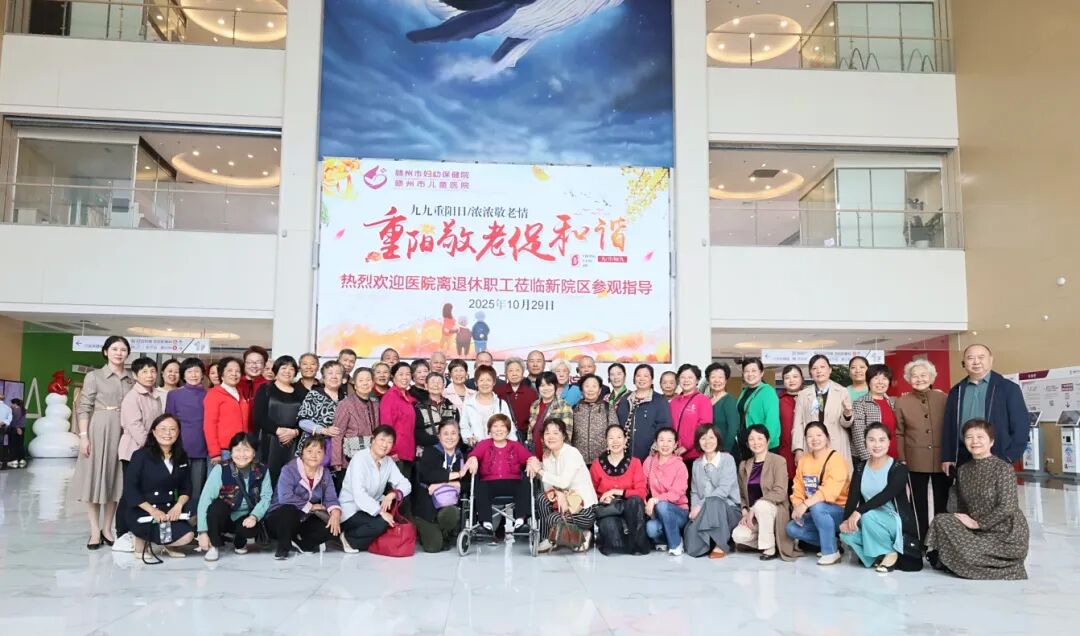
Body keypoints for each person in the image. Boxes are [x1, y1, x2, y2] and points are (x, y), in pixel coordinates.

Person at [926, 419, 1029, 580]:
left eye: (980, 437)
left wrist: (978, 524)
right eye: (969, 437)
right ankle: (969, 562)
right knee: (941, 521)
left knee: (968, 553)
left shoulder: (1003, 468)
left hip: (1005, 534)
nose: (974, 441)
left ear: (991, 442)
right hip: (976, 532)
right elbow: (960, 507)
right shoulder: (963, 470)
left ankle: (1002, 567)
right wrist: (964, 524)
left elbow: (1007, 506)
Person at [73, 335, 134, 549]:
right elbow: (84, 407)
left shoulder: (131, 378)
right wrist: (83, 436)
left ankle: (107, 529)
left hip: (123, 432)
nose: (119, 353)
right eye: (115, 349)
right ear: (106, 352)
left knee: (115, 480)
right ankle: (94, 530)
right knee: (94, 479)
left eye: (123, 349)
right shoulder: (94, 376)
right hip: (99, 430)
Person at [839, 423, 923, 573]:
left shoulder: (899, 468)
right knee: (846, 534)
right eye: (871, 440)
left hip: (894, 521)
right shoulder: (860, 468)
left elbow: (886, 495)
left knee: (868, 516)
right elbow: (853, 497)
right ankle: (879, 555)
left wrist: (859, 512)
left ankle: (889, 552)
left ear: (889, 442)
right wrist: (846, 520)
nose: (877, 445)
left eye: (882, 440)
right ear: (865, 443)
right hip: (869, 518)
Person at [122, 414, 195, 561]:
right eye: (163, 429)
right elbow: (130, 490)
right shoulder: (140, 456)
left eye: (172, 429)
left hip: (169, 509)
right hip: (143, 510)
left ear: (178, 432)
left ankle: (167, 542)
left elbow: (186, 487)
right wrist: (153, 511)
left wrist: (178, 506)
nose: (168, 433)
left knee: (194, 521)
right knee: (185, 536)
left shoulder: (181, 456)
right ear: (154, 432)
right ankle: (141, 540)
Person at [942, 344, 1028, 470]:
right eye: (970, 358)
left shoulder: (1008, 388)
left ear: (991, 360)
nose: (976, 362)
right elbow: (948, 426)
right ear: (964, 362)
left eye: (981, 357)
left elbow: (1021, 426)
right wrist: (948, 456)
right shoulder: (956, 391)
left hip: (997, 457)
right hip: (963, 457)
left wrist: (1009, 457)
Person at [895, 359, 949, 543]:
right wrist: (902, 458)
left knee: (942, 501)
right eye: (914, 376)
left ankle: (941, 540)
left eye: (923, 375)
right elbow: (899, 433)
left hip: (942, 459)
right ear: (908, 379)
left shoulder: (943, 398)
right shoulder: (902, 402)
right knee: (918, 503)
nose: (919, 379)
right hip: (914, 459)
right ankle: (921, 541)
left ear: (932, 377)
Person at [115, 357, 165, 552]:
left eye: (152, 371)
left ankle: (137, 531)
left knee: (143, 493)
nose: (150, 375)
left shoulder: (155, 396)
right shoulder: (132, 397)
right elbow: (135, 426)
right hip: (134, 452)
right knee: (130, 493)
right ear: (135, 375)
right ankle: (122, 533)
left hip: (151, 451)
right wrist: (153, 447)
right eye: (144, 372)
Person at [196, 432, 272, 561]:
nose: (242, 455)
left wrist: (254, 516)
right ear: (231, 452)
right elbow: (205, 499)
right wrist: (202, 532)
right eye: (237, 450)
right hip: (225, 516)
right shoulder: (221, 469)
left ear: (254, 453)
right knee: (215, 508)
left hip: (246, 517)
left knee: (250, 529)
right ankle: (214, 545)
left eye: (246, 450)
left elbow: (266, 497)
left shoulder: (262, 470)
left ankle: (240, 540)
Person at [265, 435, 343, 559]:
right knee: (289, 510)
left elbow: (331, 498)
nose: (314, 455)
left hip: (304, 518)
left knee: (333, 528)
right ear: (302, 453)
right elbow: (285, 497)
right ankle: (283, 547)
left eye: (319, 452)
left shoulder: (325, 473)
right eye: (309, 451)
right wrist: (310, 506)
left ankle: (303, 544)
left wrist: (335, 513)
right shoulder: (289, 469)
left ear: (324, 455)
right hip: (280, 517)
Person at [526, 419, 598, 553]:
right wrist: (559, 493)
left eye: (555, 433)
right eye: (547, 433)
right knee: (541, 498)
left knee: (553, 518)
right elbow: (548, 488)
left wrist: (539, 470)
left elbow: (564, 482)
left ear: (563, 436)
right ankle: (548, 538)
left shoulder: (572, 453)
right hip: (564, 504)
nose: (551, 436)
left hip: (583, 508)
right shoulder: (547, 456)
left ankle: (582, 534)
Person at [786, 422, 851, 565]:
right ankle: (833, 542)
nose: (814, 439)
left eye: (819, 435)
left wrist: (805, 505)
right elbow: (798, 487)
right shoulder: (804, 461)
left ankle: (830, 552)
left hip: (839, 512)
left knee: (818, 507)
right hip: (816, 511)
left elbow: (830, 492)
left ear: (827, 437)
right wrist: (797, 506)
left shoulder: (836, 459)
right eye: (810, 436)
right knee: (792, 528)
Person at [733, 425, 799, 560]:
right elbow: (742, 494)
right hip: (753, 516)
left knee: (761, 506)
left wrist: (755, 506)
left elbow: (780, 492)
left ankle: (769, 548)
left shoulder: (778, 461)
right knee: (738, 536)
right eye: (751, 439)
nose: (756, 442)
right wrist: (745, 510)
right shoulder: (744, 465)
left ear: (768, 441)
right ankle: (770, 539)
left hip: (774, 510)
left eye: (760, 438)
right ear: (747, 443)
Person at [465, 414, 533, 533]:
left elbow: (530, 457)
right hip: (489, 484)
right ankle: (486, 523)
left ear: (508, 430)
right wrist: (474, 458)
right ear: (490, 430)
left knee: (524, 483)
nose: (499, 429)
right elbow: (473, 455)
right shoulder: (484, 444)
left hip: (512, 483)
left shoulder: (516, 445)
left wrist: (531, 462)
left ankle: (520, 521)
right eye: (495, 426)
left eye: (502, 426)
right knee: (480, 485)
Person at [589, 424, 650, 555]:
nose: (615, 441)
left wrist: (617, 492)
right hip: (609, 509)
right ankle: (623, 538)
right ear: (606, 441)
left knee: (635, 500)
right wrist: (602, 498)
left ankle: (637, 545)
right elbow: (590, 492)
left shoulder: (635, 462)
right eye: (611, 438)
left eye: (619, 437)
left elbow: (641, 492)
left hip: (631, 508)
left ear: (625, 440)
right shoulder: (597, 464)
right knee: (613, 540)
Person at [683, 425, 741, 558]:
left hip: (729, 510)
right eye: (703, 438)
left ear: (717, 439)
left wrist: (700, 505)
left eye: (711, 437)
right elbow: (694, 492)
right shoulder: (697, 464)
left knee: (714, 501)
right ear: (698, 441)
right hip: (704, 510)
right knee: (692, 547)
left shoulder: (727, 459)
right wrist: (694, 509)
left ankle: (720, 545)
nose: (707, 442)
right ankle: (711, 540)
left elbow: (723, 490)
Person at [414, 420, 467, 552]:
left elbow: (468, 483)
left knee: (451, 513)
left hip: (447, 505)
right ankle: (429, 532)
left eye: (453, 433)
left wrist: (441, 485)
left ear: (459, 436)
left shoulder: (462, 456)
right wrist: (458, 475)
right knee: (433, 547)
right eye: (445, 434)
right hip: (427, 508)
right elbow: (429, 475)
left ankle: (445, 532)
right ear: (439, 436)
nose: (450, 437)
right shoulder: (430, 452)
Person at [254, 356, 307, 488]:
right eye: (284, 368)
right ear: (276, 370)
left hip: (294, 442)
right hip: (269, 440)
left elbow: (307, 418)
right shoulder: (265, 389)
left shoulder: (301, 393)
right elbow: (258, 416)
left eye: (291, 369)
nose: (287, 371)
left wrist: (295, 432)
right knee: (267, 478)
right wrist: (278, 431)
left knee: (291, 478)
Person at [793, 355, 854, 469]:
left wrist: (847, 414)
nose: (819, 371)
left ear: (829, 370)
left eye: (822, 367)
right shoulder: (803, 395)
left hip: (835, 444)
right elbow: (798, 424)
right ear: (810, 373)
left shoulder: (842, 391)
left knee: (836, 476)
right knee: (813, 476)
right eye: (814, 368)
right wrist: (798, 449)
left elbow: (847, 424)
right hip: (812, 445)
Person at [166, 358, 208, 517]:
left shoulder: (208, 394)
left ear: (202, 374)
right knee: (176, 485)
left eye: (197, 371)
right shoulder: (174, 395)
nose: (194, 375)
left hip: (202, 447)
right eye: (189, 371)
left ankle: (193, 519)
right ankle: (174, 518)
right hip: (179, 447)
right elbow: (169, 421)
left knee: (197, 487)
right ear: (183, 375)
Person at [642, 427, 689, 555]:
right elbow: (643, 486)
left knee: (662, 505)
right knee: (651, 528)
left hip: (679, 512)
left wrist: (655, 500)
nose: (665, 444)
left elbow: (676, 494)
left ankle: (676, 543)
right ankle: (663, 540)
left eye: (669, 441)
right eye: (661, 440)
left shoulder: (680, 466)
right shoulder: (649, 461)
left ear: (675, 445)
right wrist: (645, 501)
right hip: (658, 512)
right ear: (656, 443)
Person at [296, 361, 347, 474]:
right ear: (323, 378)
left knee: (331, 481)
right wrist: (324, 430)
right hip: (313, 447)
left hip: (337, 451)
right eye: (330, 373)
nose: (334, 376)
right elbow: (302, 421)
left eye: (338, 373)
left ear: (343, 378)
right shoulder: (314, 394)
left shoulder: (345, 398)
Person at [616, 364, 672, 461]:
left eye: (646, 376)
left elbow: (664, 427)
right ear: (634, 379)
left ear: (652, 379)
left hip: (649, 455)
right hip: (623, 454)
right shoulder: (625, 399)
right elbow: (618, 424)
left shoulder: (660, 400)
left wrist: (655, 449)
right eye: (638, 375)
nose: (642, 379)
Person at [330, 367, 380, 475]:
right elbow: (337, 434)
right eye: (361, 380)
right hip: (349, 459)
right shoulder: (345, 404)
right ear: (355, 385)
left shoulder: (375, 404)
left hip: (370, 458)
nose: (365, 383)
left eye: (368, 380)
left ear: (372, 383)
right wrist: (337, 461)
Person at [203, 358, 251, 466]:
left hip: (240, 448)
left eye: (237, 371)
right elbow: (209, 425)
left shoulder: (240, 392)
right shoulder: (214, 394)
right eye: (230, 370)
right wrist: (215, 452)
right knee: (219, 477)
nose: (234, 374)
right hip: (222, 451)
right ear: (222, 374)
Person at [380, 362, 420, 483]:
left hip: (408, 452)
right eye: (401, 374)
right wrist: (391, 451)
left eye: (408, 374)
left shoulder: (409, 398)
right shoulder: (390, 397)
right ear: (393, 376)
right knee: (397, 490)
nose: (405, 377)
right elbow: (386, 426)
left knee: (405, 489)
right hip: (396, 454)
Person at [850, 364, 898, 462]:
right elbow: (858, 435)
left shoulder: (893, 402)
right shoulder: (860, 403)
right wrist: (869, 460)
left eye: (884, 378)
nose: (880, 382)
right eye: (876, 378)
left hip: (893, 455)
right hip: (872, 457)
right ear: (868, 381)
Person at [736, 358, 780, 459]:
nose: (750, 374)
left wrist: (764, 444)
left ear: (761, 373)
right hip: (748, 444)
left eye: (754, 371)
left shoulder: (768, 392)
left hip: (762, 446)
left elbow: (772, 420)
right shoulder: (745, 391)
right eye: (746, 371)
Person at [668, 364, 713, 465]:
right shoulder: (674, 402)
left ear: (697, 380)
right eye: (682, 377)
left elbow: (704, 427)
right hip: (674, 454)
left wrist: (686, 446)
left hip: (695, 455)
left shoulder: (703, 400)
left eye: (690, 377)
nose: (686, 380)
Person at [571, 375, 621, 465]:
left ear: (599, 390)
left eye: (594, 386)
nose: (590, 390)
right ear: (582, 390)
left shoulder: (607, 408)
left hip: (603, 460)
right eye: (587, 386)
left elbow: (615, 432)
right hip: (579, 461)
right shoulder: (575, 408)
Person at [460, 365, 516, 445]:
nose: (485, 383)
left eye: (488, 380)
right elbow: (464, 426)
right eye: (481, 380)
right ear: (476, 383)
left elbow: (510, 428)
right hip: (477, 447)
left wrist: (511, 446)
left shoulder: (501, 404)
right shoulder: (468, 403)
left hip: (498, 447)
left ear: (494, 382)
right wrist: (468, 438)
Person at [527, 371, 573, 459]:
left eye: (549, 385)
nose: (546, 388)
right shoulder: (534, 405)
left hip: (554, 455)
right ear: (538, 388)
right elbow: (531, 431)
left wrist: (559, 456)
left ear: (555, 386)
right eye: (542, 385)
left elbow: (567, 434)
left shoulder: (563, 405)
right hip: (534, 453)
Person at [495, 357, 538, 441]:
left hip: (525, 438)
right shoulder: (498, 392)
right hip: (502, 436)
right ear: (505, 373)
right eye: (510, 371)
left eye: (517, 370)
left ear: (523, 372)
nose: (514, 374)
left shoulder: (531, 393)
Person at [415, 373, 459, 456]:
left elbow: (457, 429)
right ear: (426, 386)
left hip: (450, 452)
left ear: (443, 386)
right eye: (433, 382)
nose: (436, 385)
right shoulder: (419, 407)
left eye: (439, 382)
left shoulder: (452, 406)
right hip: (426, 452)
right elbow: (418, 432)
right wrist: (441, 439)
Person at [705, 363, 740, 461]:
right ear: (708, 380)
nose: (717, 380)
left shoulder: (729, 401)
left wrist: (724, 451)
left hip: (726, 451)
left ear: (726, 380)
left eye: (720, 377)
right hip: (710, 449)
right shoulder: (707, 401)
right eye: (713, 377)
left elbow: (733, 429)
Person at [777, 365, 803, 480]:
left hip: (807, 450)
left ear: (802, 378)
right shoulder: (779, 401)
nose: (791, 380)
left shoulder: (811, 398)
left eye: (795, 376)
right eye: (787, 377)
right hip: (785, 452)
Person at [238, 346, 270, 428]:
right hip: (237, 431)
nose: (254, 366)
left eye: (258, 362)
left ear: (264, 365)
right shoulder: (236, 383)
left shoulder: (269, 386)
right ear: (244, 364)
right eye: (249, 362)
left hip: (262, 431)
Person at [5, 398, 26, 468]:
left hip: (15, 429)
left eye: (12, 403)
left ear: (15, 404)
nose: (11, 405)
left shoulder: (16, 410)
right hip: (22, 428)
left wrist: (17, 428)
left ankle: (13, 460)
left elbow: (14, 421)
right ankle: (21, 459)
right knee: (20, 444)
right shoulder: (23, 410)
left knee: (13, 445)